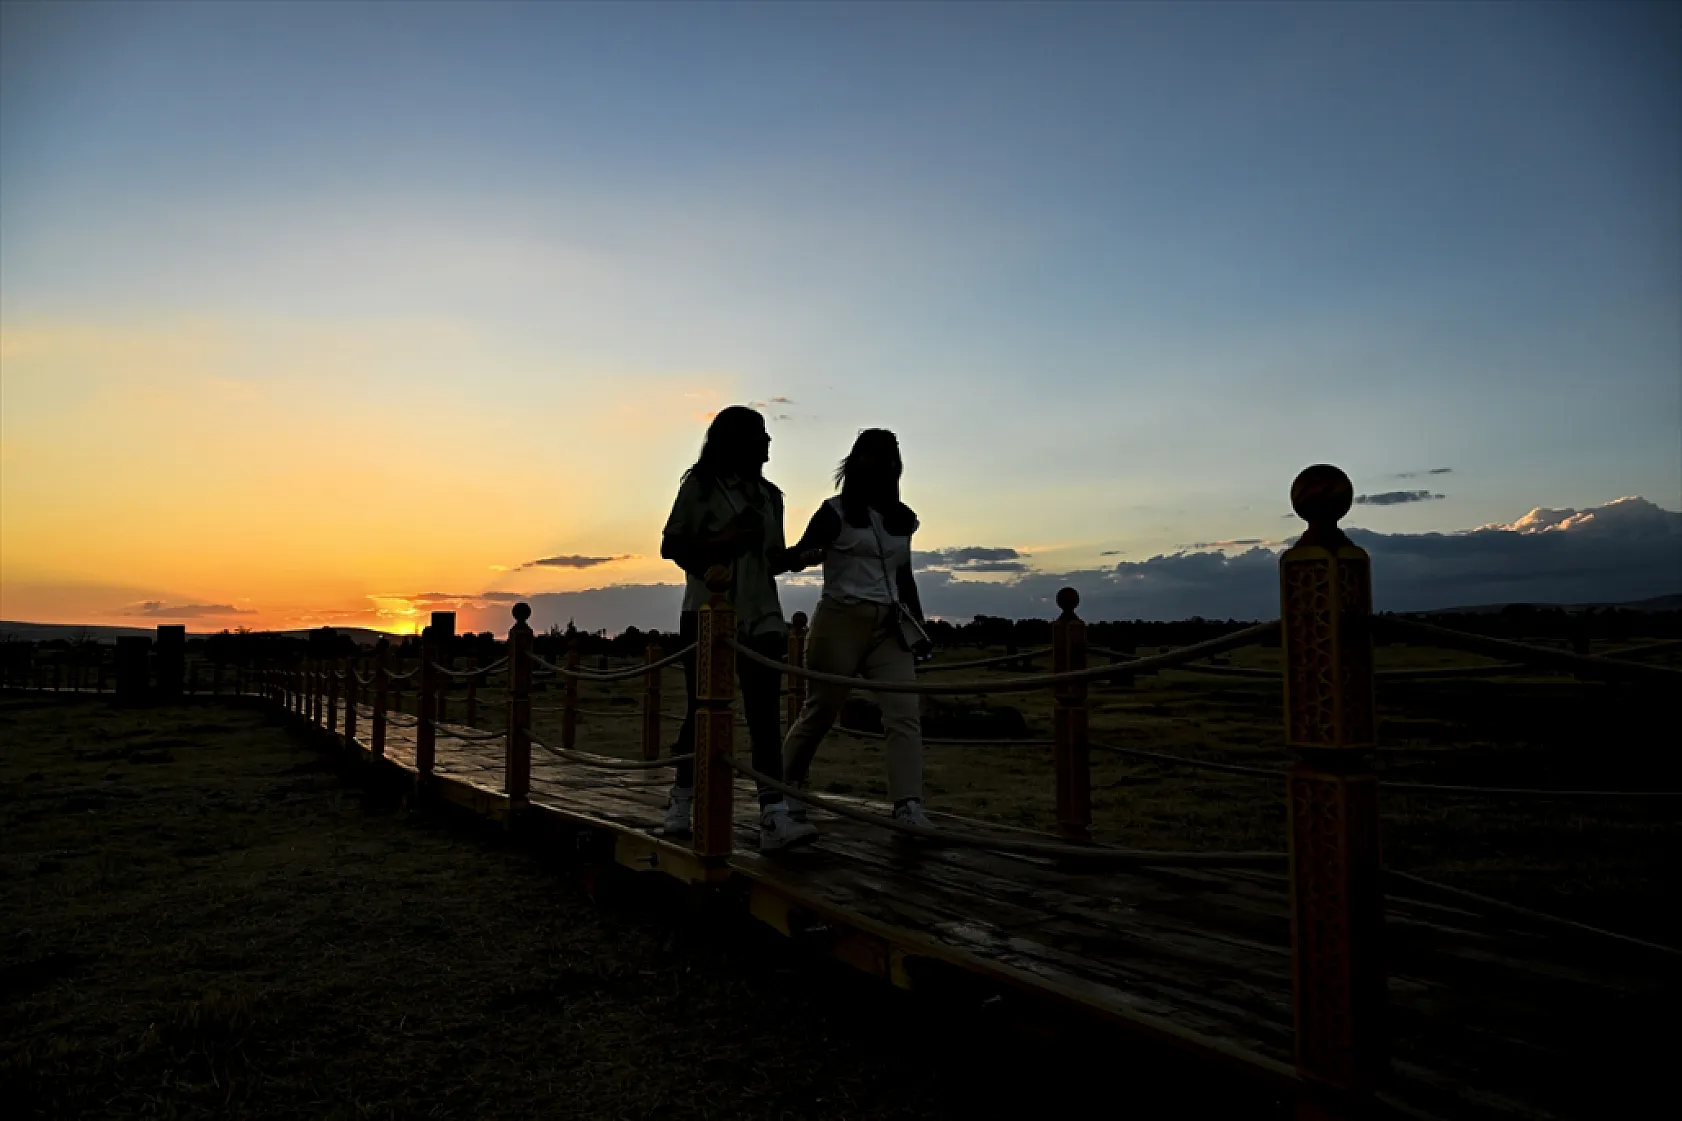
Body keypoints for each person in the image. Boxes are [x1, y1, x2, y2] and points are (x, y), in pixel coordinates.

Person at [659, 406, 817, 852]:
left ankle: (773, 816)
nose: (769, 443)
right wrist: (723, 540)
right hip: (709, 615)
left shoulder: (771, 496)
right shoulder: (700, 487)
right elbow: (671, 544)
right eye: (761, 436)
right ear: (738, 441)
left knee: (765, 714)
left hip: (764, 614)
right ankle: (682, 801)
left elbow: (770, 559)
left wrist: (802, 555)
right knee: (700, 710)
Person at [780, 428, 933, 832]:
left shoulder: (903, 519)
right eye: (874, 454)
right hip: (840, 620)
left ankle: (908, 805)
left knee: (904, 713)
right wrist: (804, 557)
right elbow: (792, 555)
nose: (883, 462)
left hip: (890, 624)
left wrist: (921, 628)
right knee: (820, 711)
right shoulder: (834, 512)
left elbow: (905, 575)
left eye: (890, 455)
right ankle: (785, 789)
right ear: (856, 460)